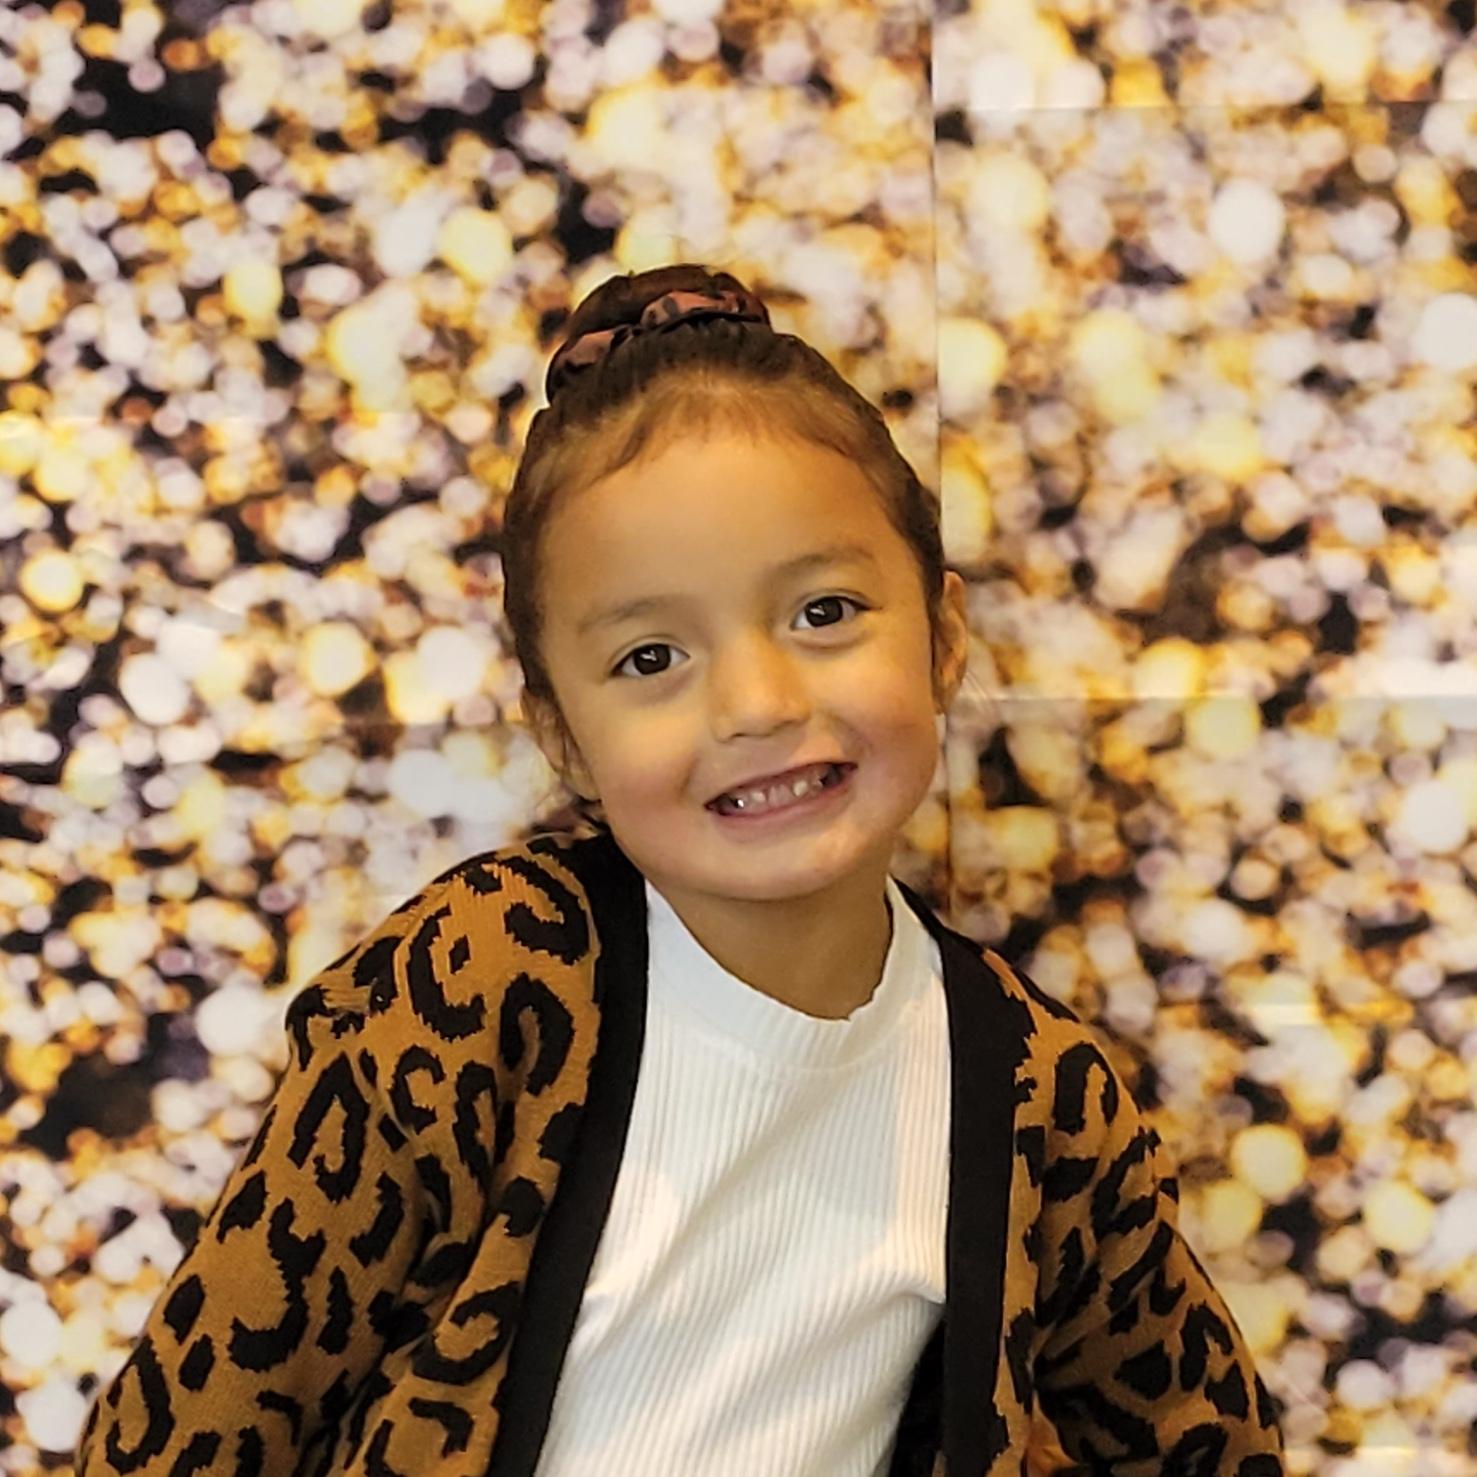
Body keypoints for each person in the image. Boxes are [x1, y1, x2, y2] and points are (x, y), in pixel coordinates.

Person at [76, 265, 1285, 1476]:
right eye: (652, 656)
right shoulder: (483, 983)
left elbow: (1203, 1442)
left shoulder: (1035, 1090)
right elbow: (188, 1431)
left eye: (823, 612)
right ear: (562, 737)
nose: (757, 703)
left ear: (942, 637)